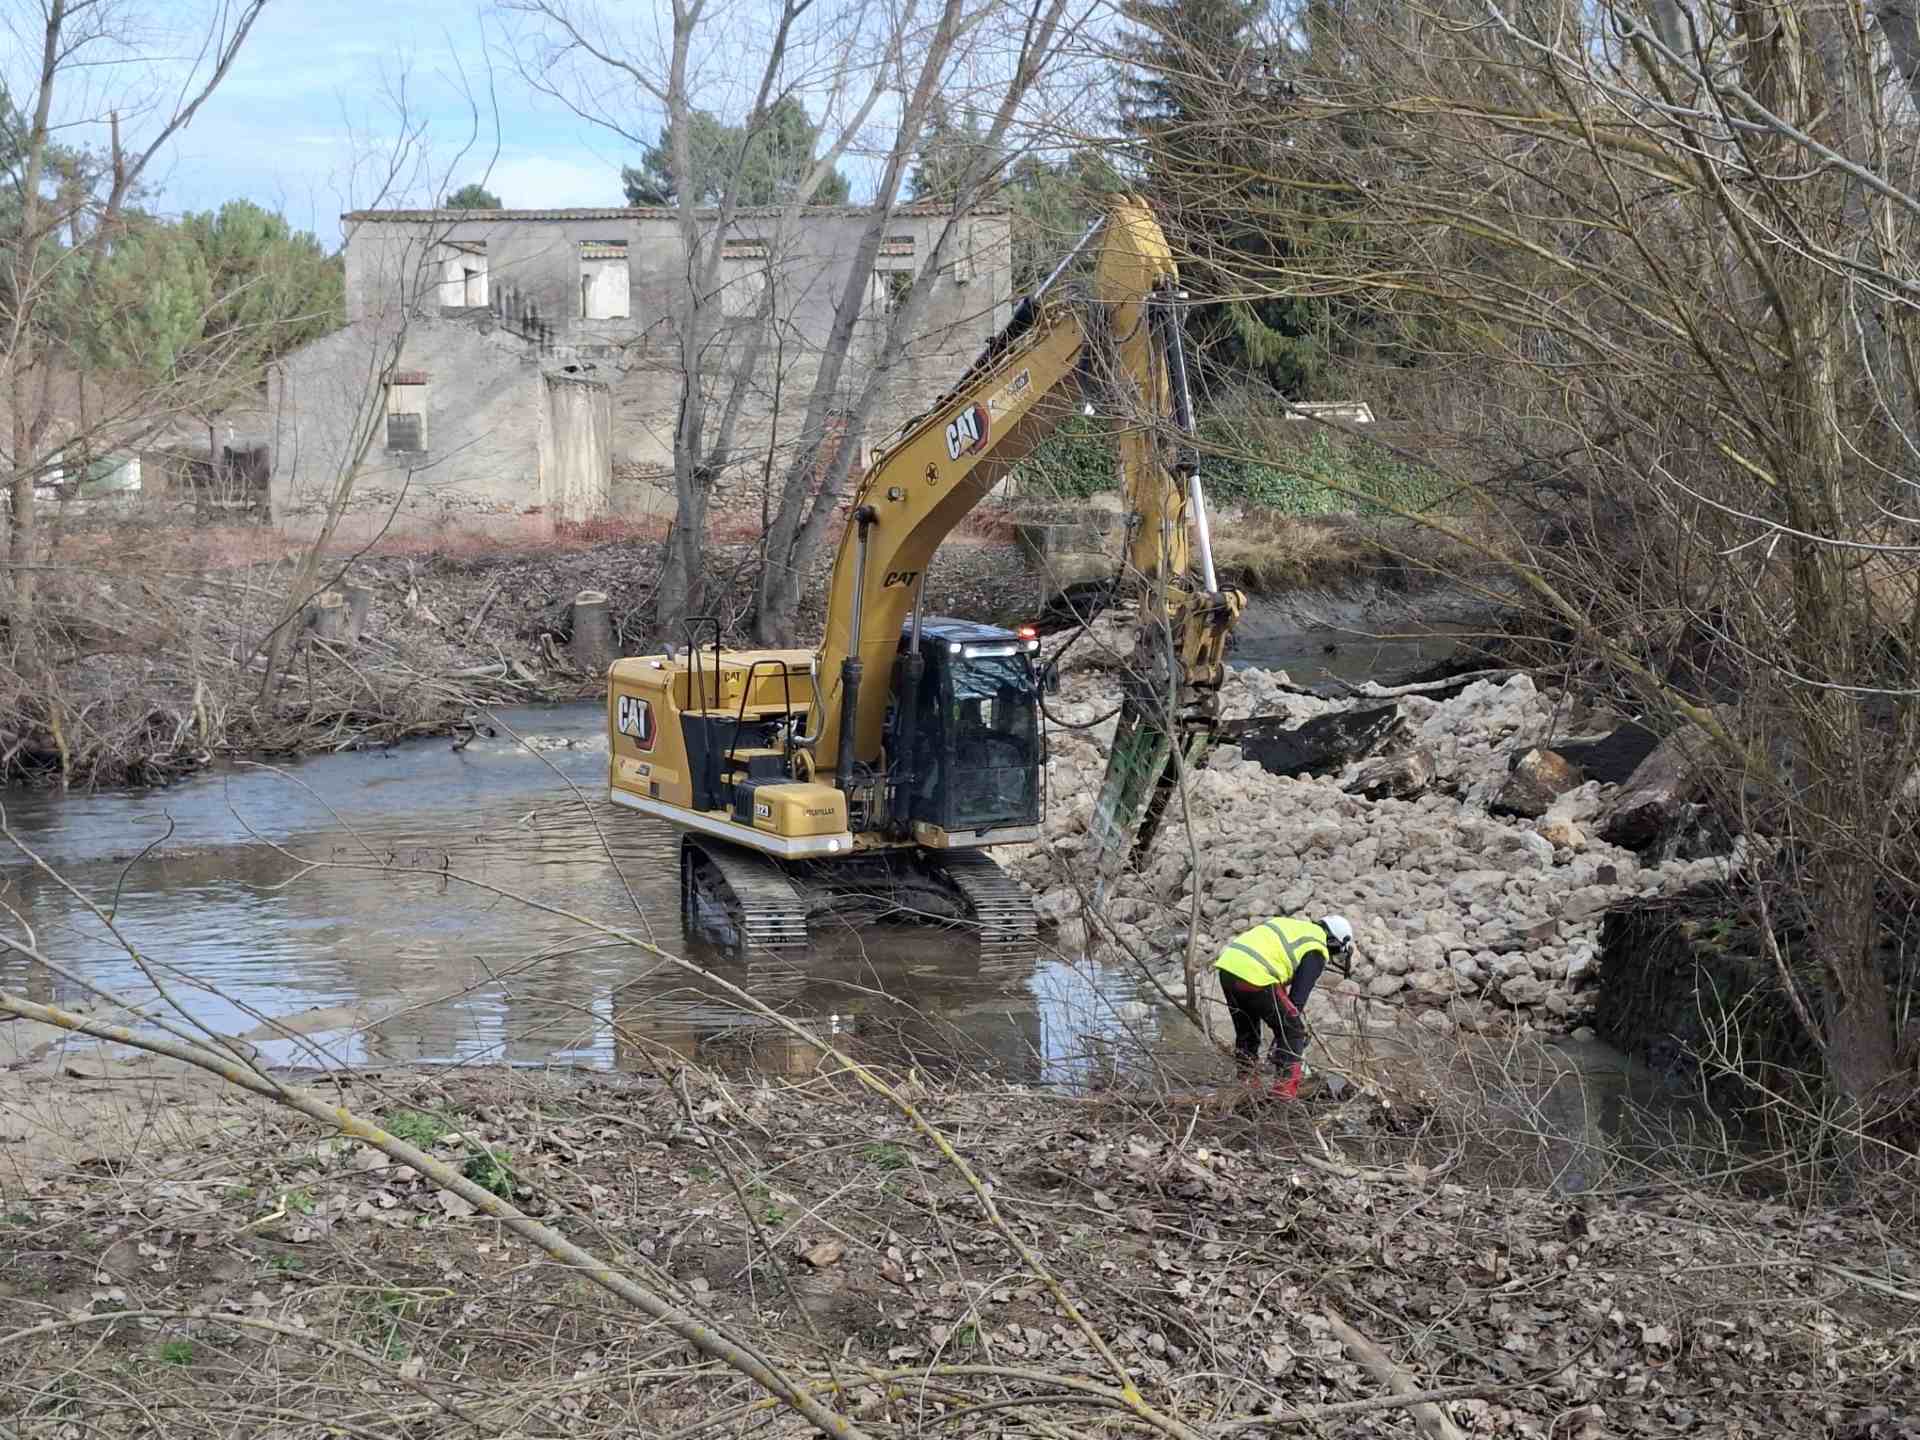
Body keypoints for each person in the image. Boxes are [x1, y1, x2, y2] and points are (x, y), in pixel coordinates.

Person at [1214, 914, 1356, 1100]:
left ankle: (1245, 1085)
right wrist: (1285, 1033)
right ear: (1335, 941)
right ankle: (1283, 1095)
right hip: (1255, 975)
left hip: (1228, 968)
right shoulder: (1316, 948)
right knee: (1294, 1031)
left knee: (1247, 1033)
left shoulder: (1294, 927)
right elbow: (1297, 1000)